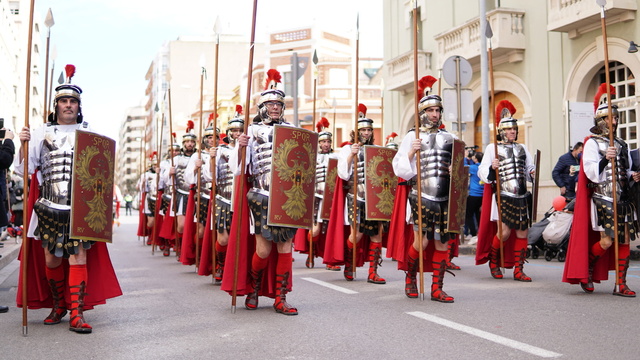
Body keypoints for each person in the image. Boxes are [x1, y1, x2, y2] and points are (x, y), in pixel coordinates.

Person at [15, 65, 122, 333]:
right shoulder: (41, 132)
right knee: (51, 260)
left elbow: (101, 174)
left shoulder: (90, 133)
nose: (68, 105)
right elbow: (25, 170)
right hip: (48, 206)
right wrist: (23, 144)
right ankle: (59, 304)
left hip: (80, 208)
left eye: (73, 101)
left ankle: (77, 313)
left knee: (78, 257)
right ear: (56, 105)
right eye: (64, 101)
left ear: (78, 106)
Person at [229, 69, 302, 315]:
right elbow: (238, 170)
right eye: (270, 103)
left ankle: (280, 298)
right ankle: (254, 288)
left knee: (285, 247)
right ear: (262, 106)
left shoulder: (293, 130)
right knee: (262, 250)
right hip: (261, 194)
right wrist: (239, 148)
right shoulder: (251, 131)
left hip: (288, 197)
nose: (275, 108)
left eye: (279, 104)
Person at [562, 83, 639, 297]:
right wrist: (606, 159)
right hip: (603, 196)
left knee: (624, 239)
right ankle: (588, 267)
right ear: (600, 121)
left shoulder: (622, 144)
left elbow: (627, 169)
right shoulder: (592, 144)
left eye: (615, 118)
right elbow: (590, 172)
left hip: (624, 197)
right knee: (607, 240)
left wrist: (634, 175)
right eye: (609, 118)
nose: (613, 122)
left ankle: (620, 285)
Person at [392, 75, 462, 302]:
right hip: (421, 196)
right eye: (431, 110)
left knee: (443, 242)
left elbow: (460, 169)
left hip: (444, 197)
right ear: (423, 113)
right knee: (420, 242)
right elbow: (399, 169)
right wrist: (411, 152)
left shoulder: (450, 137)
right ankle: (410, 276)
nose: (435, 114)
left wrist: (455, 169)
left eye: (438, 110)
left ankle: (436, 288)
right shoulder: (413, 136)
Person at [326, 103, 387, 285]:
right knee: (357, 235)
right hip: (356, 198)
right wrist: (351, 155)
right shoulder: (347, 149)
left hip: (375, 199)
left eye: (369, 130)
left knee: (377, 235)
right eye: (363, 130)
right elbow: (343, 174)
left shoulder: (377, 150)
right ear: (357, 132)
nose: (367, 133)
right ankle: (349, 265)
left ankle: (373, 272)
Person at [476, 100, 535, 282]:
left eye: (514, 129)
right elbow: (483, 173)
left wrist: (532, 173)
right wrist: (492, 168)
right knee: (504, 232)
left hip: (522, 195)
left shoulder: (522, 148)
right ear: (502, 131)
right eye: (509, 129)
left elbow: (528, 171)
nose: (513, 132)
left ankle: (519, 269)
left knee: (522, 233)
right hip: (503, 195)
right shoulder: (492, 148)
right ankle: (494, 261)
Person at [294, 117, 339, 270]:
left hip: (331, 198)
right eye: (323, 142)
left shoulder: (336, 157)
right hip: (316, 197)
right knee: (315, 229)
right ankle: (311, 253)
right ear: (319, 143)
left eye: (328, 142)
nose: (326, 144)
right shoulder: (313, 156)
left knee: (330, 230)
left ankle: (330, 260)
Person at [465, 152, 484, 243]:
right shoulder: (483, 168)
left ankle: (473, 234)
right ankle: (480, 233)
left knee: (468, 215)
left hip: (473, 195)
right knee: (478, 215)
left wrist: (466, 158)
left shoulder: (473, 168)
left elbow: (463, 167)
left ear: (476, 159)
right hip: (482, 195)